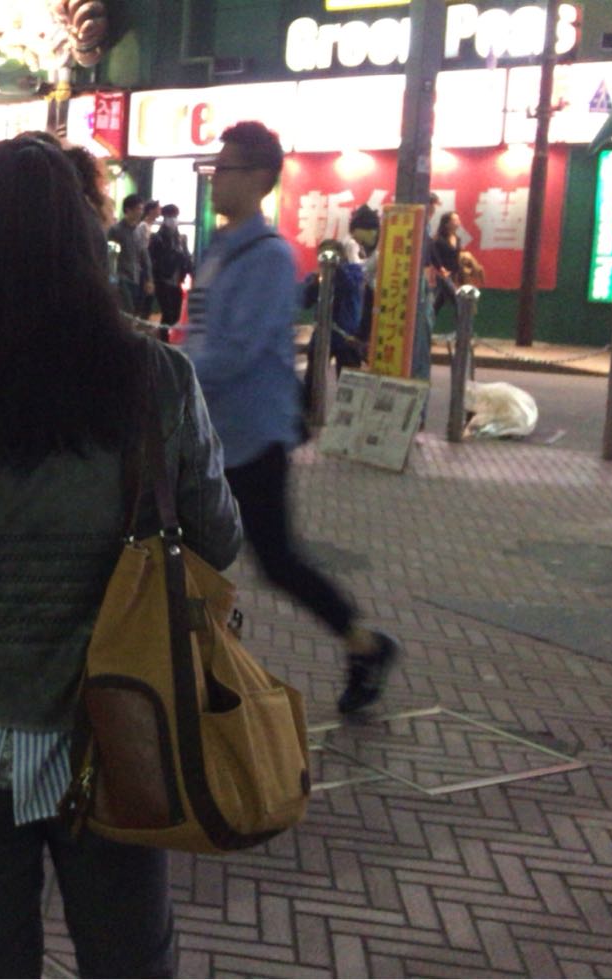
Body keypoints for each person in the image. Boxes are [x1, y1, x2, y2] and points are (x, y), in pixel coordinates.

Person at [0, 133, 241, 980]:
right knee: (130, 958)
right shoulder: (154, 377)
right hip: (122, 723)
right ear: (83, 238)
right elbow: (219, 540)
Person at [185, 120, 403, 716]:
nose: (215, 178)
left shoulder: (268, 257)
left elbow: (237, 350)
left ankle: (364, 645)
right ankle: (195, 672)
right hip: (212, 433)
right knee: (192, 554)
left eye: (226, 168)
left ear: (259, 178)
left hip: (251, 436)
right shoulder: (220, 248)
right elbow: (202, 332)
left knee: (275, 560)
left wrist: (171, 370)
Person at [148, 203, 192, 327]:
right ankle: (164, 336)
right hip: (162, 281)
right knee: (167, 313)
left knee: (176, 315)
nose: (173, 220)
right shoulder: (157, 238)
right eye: (170, 216)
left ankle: (167, 335)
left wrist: (190, 273)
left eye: (175, 216)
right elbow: (152, 260)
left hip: (177, 281)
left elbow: (187, 258)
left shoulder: (181, 239)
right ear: (164, 218)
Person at [108, 194, 150, 316]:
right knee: (128, 309)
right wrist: (112, 279)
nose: (141, 212)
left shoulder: (139, 231)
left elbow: (144, 255)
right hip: (121, 276)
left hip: (136, 277)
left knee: (135, 311)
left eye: (142, 209)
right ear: (128, 210)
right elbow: (111, 256)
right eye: (138, 209)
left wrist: (149, 278)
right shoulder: (115, 230)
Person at [429, 211, 463, 312]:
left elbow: (456, 258)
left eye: (458, 219)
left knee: (438, 303)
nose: (458, 221)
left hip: (453, 274)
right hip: (442, 275)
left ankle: (427, 319)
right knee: (458, 299)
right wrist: (441, 269)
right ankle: (463, 322)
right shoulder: (438, 240)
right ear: (447, 224)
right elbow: (434, 256)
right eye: (455, 219)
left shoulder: (457, 239)